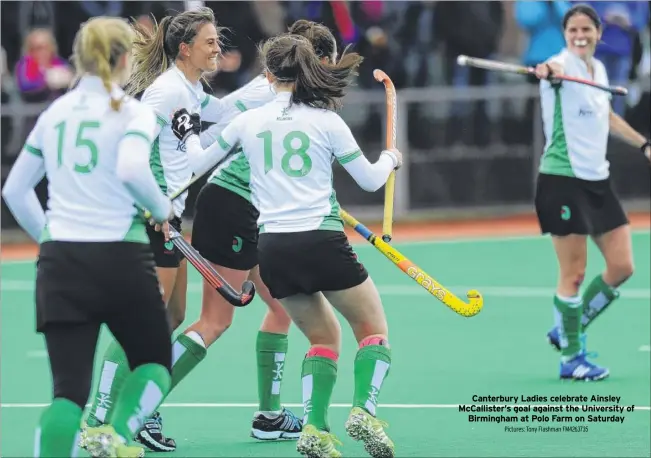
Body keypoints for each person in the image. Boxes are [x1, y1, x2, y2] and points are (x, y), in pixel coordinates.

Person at [173, 33, 402, 458]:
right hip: (322, 239)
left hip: (273, 248)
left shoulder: (249, 121)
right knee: (372, 332)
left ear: (266, 74)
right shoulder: (327, 120)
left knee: (323, 337)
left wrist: (186, 132)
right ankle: (364, 412)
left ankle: (314, 428)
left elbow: (194, 163)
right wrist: (391, 158)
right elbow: (371, 179)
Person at [1, 16, 175, 458]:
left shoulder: (55, 112)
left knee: (67, 393)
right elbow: (134, 170)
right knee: (155, 364)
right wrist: (162, 207)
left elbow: (15, 190)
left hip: (61, 262)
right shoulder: (131, 111)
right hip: (121, 258)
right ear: (123, 59)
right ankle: (115, 434)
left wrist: (48, 237)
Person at [185, 19, 343, 442]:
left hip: (257, 213)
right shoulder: (273, 94)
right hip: (233, 205)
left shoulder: (304, 100)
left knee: (281, 308)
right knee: (214, 322)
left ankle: (269, 416)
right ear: (318, 61)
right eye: (327, 64)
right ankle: (137, 410)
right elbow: (218, 119)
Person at [82, 7, 226, 452]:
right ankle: (96, 420)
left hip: (171, 215)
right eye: (209, 41)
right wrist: (154, 208)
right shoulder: (165, 94)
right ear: (186, 49)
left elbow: (219, 124)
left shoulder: (191, 90)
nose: (218, 46)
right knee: (142, 322)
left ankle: (132, 411)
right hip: (152, 217)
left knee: (173, 316)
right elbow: (135, 152)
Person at [532, 3, 651, 381]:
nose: (580, 36)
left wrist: (644, 145)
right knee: (576, 273)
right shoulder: (559, 65)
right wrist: (548, 71)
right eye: (573, 31)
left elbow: (608, 116)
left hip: (597, 180)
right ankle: (571, 358)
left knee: (622, 267)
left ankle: (566, 328)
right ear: (566, 36)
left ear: (598, 33)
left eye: (587, 30)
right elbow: (551, 73)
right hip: (562, 180)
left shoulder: (596, 69)